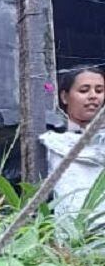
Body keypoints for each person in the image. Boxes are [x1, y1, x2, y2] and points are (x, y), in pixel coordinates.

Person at [40, 64, 105, 232]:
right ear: (64, 97)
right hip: (67, 239)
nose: (93, 96)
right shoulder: (52, 141)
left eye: (99, 91)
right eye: (84, 90)